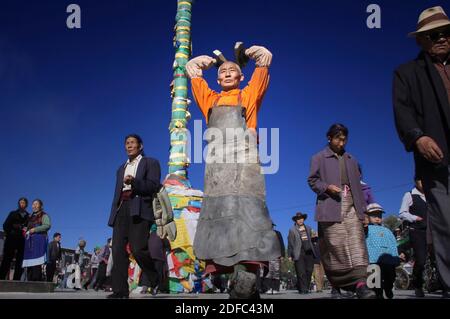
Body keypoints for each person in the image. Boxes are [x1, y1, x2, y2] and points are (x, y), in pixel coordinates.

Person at [186, 45, 280, 299]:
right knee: (222, 214)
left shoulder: (248, 96)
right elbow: (192, 72)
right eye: (223, 72)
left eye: (232, 71)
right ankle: (236, 278)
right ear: (217, 79)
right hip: (217, 167)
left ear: (240, 78)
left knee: (249, 211)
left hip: (246, 163)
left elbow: (264, 62)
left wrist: (250, 53)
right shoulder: (210, 99)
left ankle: (249, 269)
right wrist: (204, 62)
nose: (227, 74)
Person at [393, 5, 450, 293]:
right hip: (436, 157)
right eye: (433, 34)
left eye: (446, 33)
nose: (442, 38)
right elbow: (402, 112)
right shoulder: (407, 73)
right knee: (445, 221)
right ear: (421, 40)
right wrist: (418, 137)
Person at [307, 123, 375, 299]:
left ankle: (361, 285)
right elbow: (312, 180)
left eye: (344, 139)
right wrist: (326, 187)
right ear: (329, 138)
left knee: (357, 243)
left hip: (352, 204)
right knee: (334, 246)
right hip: (330, 204)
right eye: (338, 139)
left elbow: (358, 189)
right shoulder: (319, 158)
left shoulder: (351, 159)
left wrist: (364, 212)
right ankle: (336, 286)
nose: (341, 143)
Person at [107, 134, 161, 299]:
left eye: (132, 143)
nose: (129, 146)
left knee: (138, 249)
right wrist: (113, 214)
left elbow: (153, 186)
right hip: (121, 209)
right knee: (117, 250)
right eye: (126, 143)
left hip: (140, 208)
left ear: (140, 146)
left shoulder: (150, 162)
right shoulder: (120, 169)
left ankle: (154, 276)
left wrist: (134, 182)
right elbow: (117, 194)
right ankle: (120, 291)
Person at [398, 177, 429, 297]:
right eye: (421, 180)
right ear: (416, 181)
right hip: (417, 231)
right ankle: (418, 285)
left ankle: (443, 285)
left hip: (432, 231)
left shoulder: (431, 195)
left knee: (438, 257)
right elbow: (402, 213)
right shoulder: (409, 195)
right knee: (420, 260)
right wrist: (414, 218)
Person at [365, 203, 400, 299]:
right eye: (374, 215)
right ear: (367, 217)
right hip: (372, 260)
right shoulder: (366, 229)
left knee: (390, 277)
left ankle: (388, 288)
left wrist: (396, 257)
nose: (377, 218)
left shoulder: (387, 231)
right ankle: (378, 294)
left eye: (379, 215)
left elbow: (393, 244)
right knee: (374, 281)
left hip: (388, 260)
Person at [0, 197, 29, 280]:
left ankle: (16, 280)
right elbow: (5, 225)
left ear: (26, 205)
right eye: (20, 203)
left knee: (20, 261)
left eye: (23, 203)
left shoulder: (28, 216)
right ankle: (1, 278)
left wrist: (26, 229)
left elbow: (30, 227)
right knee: (7, 259)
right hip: (11, 239)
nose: (22, 204)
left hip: (22, 241)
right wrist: (13, 228)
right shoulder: (13, 213)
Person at [22, 199, 51, 281]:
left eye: (36, 204)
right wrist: (25, 230)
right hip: (30, 242)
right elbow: (25, 227)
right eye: (33, 204)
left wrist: (34, 229)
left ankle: (36, 282)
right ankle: (29, 282)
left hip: (39, 240)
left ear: (40, 206)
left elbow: (47, 225)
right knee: (29, 263)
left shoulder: (44, 215)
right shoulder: (30, 217)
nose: (34, 205)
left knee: (36, 263)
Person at [287, 212, 316, 294]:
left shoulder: (309, 228)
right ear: (296, 220)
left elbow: (313, 240)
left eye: (301, 218)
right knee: (301, 272)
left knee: (309, 270)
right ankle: (303, 289)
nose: (300, 220)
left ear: (303, 219)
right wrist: (289, 255)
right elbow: (290, 243)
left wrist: (315, 237)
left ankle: (304, 287)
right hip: (298, 252)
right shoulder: (292, 230)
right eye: (298, 219)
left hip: (309, 252)